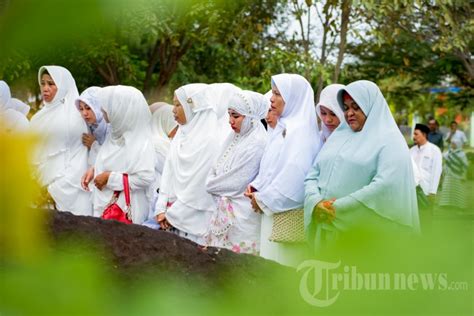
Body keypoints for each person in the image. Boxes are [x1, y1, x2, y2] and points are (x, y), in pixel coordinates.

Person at [304, 80, 420, 253]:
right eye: (345, 107)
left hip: (366, 237)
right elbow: (313, 174)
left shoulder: (390, 141)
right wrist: (315, 202)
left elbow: (385, 185)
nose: (349, 113)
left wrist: (337, 208)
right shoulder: (339, 136)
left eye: (356, 107)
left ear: (370, 106)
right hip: (327, 230)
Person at [245, 74, 320, 266]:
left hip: (285, 214)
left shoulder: (301, 133)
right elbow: (270, 167)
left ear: (293, 98)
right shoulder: (282, 128)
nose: (271, 98)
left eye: (278, 94)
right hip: (271, 209)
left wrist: (263, 199)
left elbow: (294, 177)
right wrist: (256, 187)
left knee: (283, 268)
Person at [154, 83, 239, 245]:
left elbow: (200, 186)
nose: (173, 110)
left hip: (196, 222)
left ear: (193, 108)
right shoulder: (180, 136)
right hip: (170, 217)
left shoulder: (210, 143)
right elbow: (168, 172)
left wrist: (173, 215)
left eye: (178, 105)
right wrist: (161, 207)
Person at [204, 90, 268, 254]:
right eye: (229, 115)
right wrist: (213, 181)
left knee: (238, 271)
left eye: (236, 116)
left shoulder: (257, 143)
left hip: (242, 220)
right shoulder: (235, 137)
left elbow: (234, 184)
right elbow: (215, 167)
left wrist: (212, 183)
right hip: (225, 216)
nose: (230, 121)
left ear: (251, 116)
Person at [81, 85, 156, 224]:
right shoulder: (115, 133)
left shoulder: (140, 141)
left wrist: (109, 178)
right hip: (105, 208)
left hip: (125, 211)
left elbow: (145, 177)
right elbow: (109, 161)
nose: (102, 111)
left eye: (106, 107)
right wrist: (95, 169)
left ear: (121, 109)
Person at [29, 66, 92, 215]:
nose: (45, 88)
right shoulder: (37, 119)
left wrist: (51, 192)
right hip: (38, 197)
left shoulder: (75, 119)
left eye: (51, 84)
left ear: (63, 86)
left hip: (67, 197)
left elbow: (79, 163)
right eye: (43, 83)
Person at [410, 123, 443, 217]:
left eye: (416, 134)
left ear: (424, 135)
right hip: (413, 192)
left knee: (426, 219)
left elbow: (436, 172)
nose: (414, 136)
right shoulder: (411, 151)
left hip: (426, 192)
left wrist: (432, 192)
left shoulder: (434, 150)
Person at [75, 86, 108, 167]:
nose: (84, 113)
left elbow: (114, 158)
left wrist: (94, 145)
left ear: (99, 106)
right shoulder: (87, 127)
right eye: (81, 109)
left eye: (88, 108)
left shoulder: (112, 128)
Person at [438, 139, 469, 211]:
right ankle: (445, 204)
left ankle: (459, 205)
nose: (452, 145)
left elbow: (465, 165)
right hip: (448, 174)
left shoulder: (462, 154)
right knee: (447, 189)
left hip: (458, 175)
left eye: (453, 143)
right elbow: (443, 157)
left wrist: (463, 175)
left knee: (457, 190)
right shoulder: (449, 152)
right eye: (451, 143)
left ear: (458, 144)